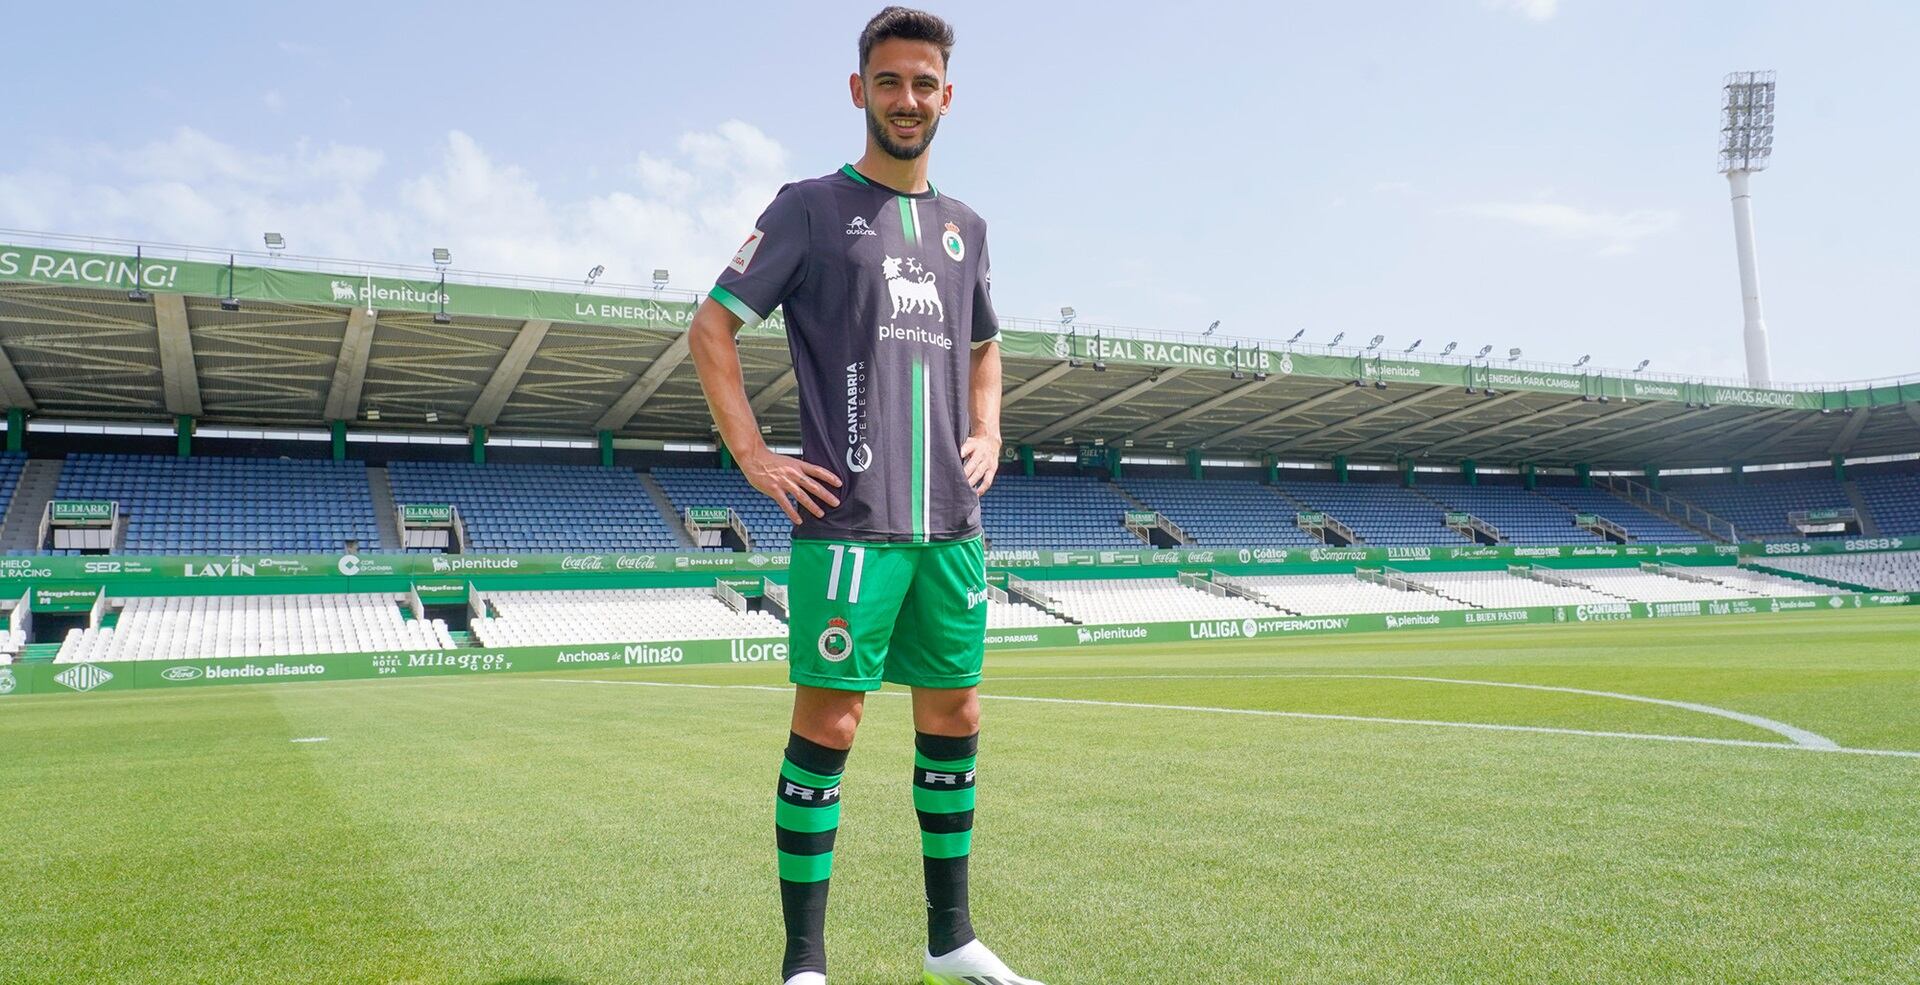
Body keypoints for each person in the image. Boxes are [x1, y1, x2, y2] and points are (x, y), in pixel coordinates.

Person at [687, 8, 1042, 984]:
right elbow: (711, 328)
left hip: (951, 532)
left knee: (957, 715)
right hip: (850, 524)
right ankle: (804, 962)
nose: (907, 99)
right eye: (890, 82)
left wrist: (989, 429)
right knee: (830, 725)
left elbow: (985, 345)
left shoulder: (968, 230)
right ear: (860, 92)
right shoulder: (808, 208)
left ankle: (952, 938)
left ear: (947, 97)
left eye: (924, 83)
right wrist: (754, 454)